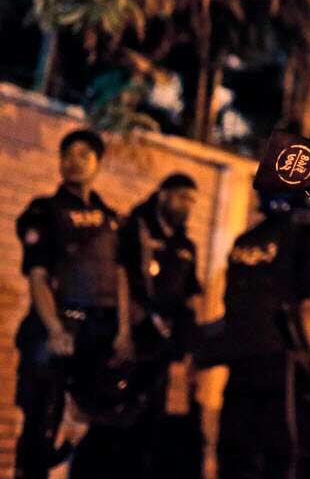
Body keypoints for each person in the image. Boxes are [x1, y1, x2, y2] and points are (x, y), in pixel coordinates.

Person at [14, 128, 133, 479]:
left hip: (100, 334)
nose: (74, 161)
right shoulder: (44, 210)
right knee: (40, 423)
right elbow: (37, 275)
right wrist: (54, 329)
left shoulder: (112, 219)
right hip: (57, 328)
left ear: (98, 164)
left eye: (84, 154)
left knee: (92, 423)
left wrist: (124, 330)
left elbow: (121, 277)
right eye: (68, 154)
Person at [216, 184, 310, 479]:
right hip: (280, 358)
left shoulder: (244, 241)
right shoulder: (301, 237)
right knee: (279, 450)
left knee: (236, 448)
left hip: (239, 356)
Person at [117, 172, 204, 478]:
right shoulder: (136, 228)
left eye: (192, 201)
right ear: (164, 194)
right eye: (182, 197)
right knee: (123, 421)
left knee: (156, 423)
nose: (187, 206)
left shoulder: (186, 245)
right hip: (135, 338)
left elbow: (193, 296)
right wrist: (123, 331)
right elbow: (123, 280)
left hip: (167, 348)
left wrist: (189, 345)